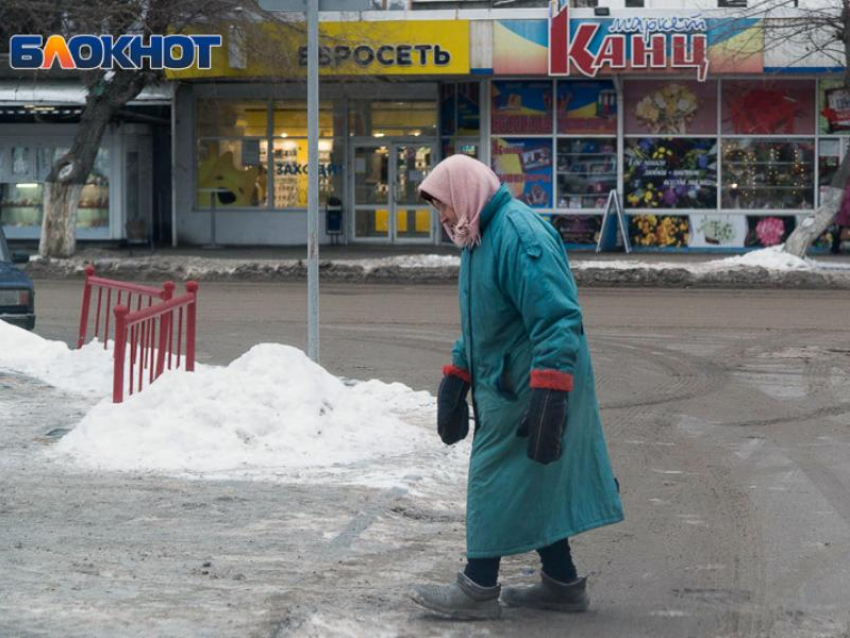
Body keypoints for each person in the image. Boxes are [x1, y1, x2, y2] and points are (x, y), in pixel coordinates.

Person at [411, 154, 624, 620]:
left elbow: (557, 317)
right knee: (536, 479)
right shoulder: (478, 235)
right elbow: (483, 322)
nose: (443, 217)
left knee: (490, 477)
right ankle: (562, 585)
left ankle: (478, 587)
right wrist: (457, 374)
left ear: (466, 192)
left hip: (533, 383)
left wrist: (550, 393)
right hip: (508, 379)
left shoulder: (517, 235)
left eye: (443, 205)